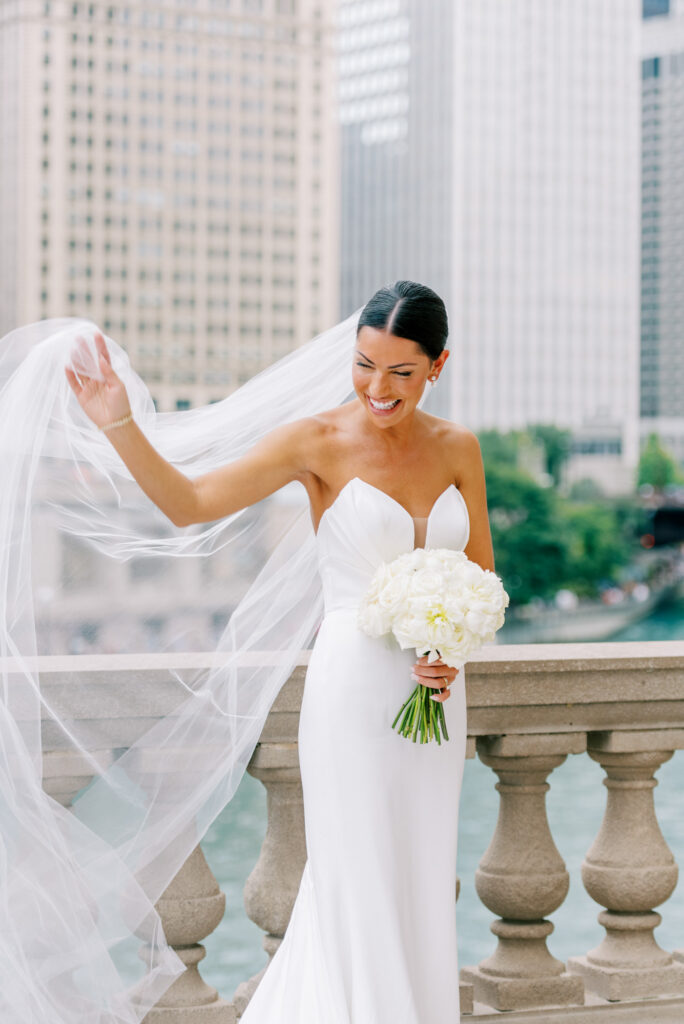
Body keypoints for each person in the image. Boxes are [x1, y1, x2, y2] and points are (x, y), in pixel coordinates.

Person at [62, 279, 495, 1022]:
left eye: (400, 372)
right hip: (353, 692)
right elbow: (189, 505)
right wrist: (119, 425)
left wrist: (452, 648)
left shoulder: (459, 447)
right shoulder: (314, 441)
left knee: (421, 874)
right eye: (364, 365)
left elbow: (481, 571)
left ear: (438, 365)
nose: (378, 388)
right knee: (355, 876)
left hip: (435, 696)